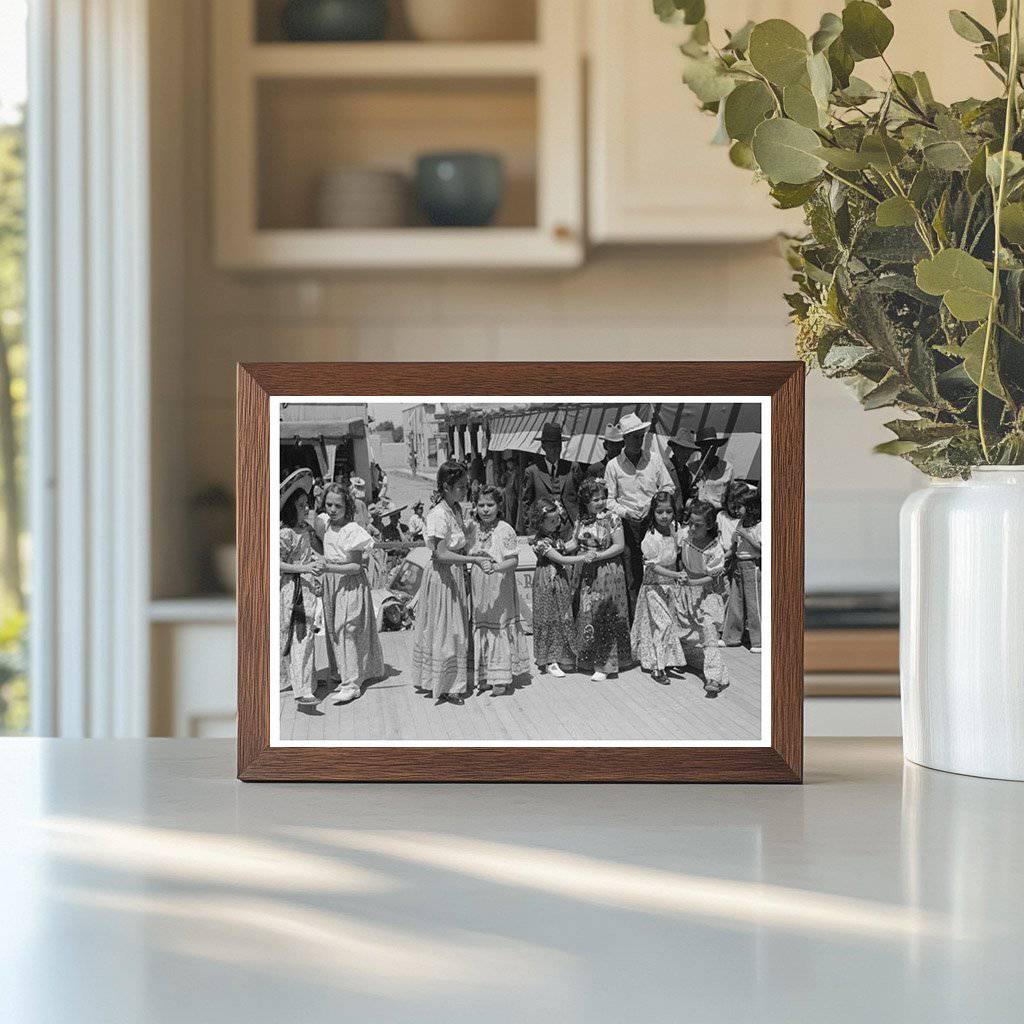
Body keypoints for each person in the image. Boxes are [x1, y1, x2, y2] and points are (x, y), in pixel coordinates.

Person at [410, 459, 494, 706]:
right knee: (448, 630)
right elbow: (441, 553)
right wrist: (473, 559)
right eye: (460, 486)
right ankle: (447, 686)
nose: (464, 490)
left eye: (466, 485)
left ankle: (450, 681)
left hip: (456, 575)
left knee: (455, 629)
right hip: (442, 577)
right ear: (446, 486)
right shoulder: (437, 514)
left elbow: (461, 542)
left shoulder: (456, 510)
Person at [314, 482, 384, 704]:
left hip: (350, 583)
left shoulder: (352, 531)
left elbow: (356, 566)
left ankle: (351, 684)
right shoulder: (325, 524)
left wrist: (328, 567)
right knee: (334, 630)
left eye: (338, 506)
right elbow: (320, 543)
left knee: (346, 629)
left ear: (348, 507)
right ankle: (341, 672)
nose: (333, 510)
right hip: (331, 583)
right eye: (329, 505)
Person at [604, 411, 674, 617]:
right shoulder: (613, 466)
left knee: (657, 570)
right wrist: (626, 512)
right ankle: (636, 622)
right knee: (632, 574)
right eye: (633, 437)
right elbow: (608, 500)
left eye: (641, 436)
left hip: (653, 525)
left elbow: (669, 486)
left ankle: (659, 617)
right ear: (624, 439)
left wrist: (654, 505)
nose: (638, 441)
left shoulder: (654, 460)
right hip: (627, 526)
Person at [467, 486, 530, 696]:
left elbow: (513, 560)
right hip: (478, 583)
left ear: (499, 506)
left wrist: (494, 567)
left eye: (490, 505)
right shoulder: (472, 529)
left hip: (499, 583)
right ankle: (484, 675)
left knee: (498, 627)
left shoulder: (505, 529)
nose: (485, 509)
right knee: (482, 626)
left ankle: (500, 678)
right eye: (481, 505)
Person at [572, 477, 633, 681]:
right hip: (587, 571)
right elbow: (574, 543)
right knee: (588, 613)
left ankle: (606, 664)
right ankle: (590, 659)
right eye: (595, 499)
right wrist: (553, 547)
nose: (600, 502)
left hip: (607, 570)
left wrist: (597, 555)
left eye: (602, 498)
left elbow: (619, 545)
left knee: (605, 614)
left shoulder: (612, 518)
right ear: (585, 501)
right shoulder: (581, 520)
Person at [630, 491, 686, 684]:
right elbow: (654, 566)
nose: (664, 516)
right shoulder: (651, 538)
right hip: (654, 586)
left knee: (665, 625)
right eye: (660, 512)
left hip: (670, 586)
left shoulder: (673, 530)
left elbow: (677, 554)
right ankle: (657, 667)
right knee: (664, 623)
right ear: (653, 513)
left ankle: (665, 660)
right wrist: (676, 574)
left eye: (669, 511)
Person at [676, 500, 731, 698]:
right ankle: (697, 662)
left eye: (697, 525)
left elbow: (714, 576)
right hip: (686, 590)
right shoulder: (685, 535)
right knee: (687, 632)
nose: (692, 528)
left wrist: (693, 582)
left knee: (709, 633)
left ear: (708, 525)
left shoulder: (713, 548)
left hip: (707, 593)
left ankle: (714, 677)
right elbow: (679, 557)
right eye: (690, 523)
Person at [279, 470, 323, 705]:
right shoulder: (284, 533)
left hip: (306, 589)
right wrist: (304, 569)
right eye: (301, 505)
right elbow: (276, 564)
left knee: (305, 637)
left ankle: (307, 683)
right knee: (295, 637)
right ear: (290, 508)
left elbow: (312, 555)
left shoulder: (304, 530)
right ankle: (300, 688)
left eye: (307, 504)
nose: (307, 509)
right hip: (291, 591)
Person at [529, 497, 585, 677]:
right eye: (551, 521)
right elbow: (561, 558)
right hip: (547, 580)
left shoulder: (555, 537)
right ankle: (549, 659)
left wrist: (578, 529)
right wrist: (584, 558)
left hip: (560, 579)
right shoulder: (541, 541)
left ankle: (563, 655)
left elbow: (570, 546)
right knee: (549, 615)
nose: (556, 523)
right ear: (540, 522)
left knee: (563, 614)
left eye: (557, 519)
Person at [516, 422, 579, 533]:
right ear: (544, 447)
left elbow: (580, 497)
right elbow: (526, 503)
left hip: (570, 527)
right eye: (551, 446)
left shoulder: (572, 467)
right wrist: (529, 528)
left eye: (558, 446)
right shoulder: (532, 472)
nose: (555, 450)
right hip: (544, 529)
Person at [723, 489, 762, 653]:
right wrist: (723, 559)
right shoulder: (740, 523)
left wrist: (746, 536)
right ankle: (731, 637)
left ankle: (759, 640)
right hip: (738, 563)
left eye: (740, 507)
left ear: (750, 507)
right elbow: (734, 546)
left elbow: (761, 549)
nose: (736, 511)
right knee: (735, 601)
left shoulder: (760, 526)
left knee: (754, 604)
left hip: (752, 565)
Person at [691, 427, 733, 509]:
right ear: (700, 448)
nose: (709, 448)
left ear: (717, 447)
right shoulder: (692, 468)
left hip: (718, 513)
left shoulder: (727, 468)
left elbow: (731, 496)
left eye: (712, 445)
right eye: (705, 446)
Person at [664, 428, 699, 520]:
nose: (685, 454)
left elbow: (687, 497)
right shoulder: (665, 467)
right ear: (674, 448)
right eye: (682, 449)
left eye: (688, 450)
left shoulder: (687, 472)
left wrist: (693, 491)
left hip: (679, 519)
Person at [500, 452, 521, 530]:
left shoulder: (516, 472)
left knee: (512, 510)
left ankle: (512, 524)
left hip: (513, 493)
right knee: (507, 510)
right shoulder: (507, 473)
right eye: (508, 464)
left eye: (510, 464)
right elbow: (502, 481)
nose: (508, 466)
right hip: (508, 493)